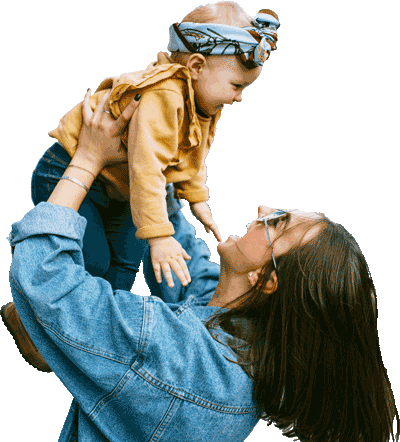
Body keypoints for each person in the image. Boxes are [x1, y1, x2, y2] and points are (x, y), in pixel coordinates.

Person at [2, 66, 398, 442]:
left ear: (267, 280)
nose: (265, 209)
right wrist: (152, 153)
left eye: (279, 224)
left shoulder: (176, 350)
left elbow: (46, 279)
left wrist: (88, 159)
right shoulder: (244, 340)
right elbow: (179, 253)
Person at [30, 2, 280, 293]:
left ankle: (104, 329)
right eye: (237, 86)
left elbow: (194, 153)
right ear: (196, 66)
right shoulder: (165, 95)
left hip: (121, 189)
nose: (239, 97)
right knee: (95, 260)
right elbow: (146, 168)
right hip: (69, 171)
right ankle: (40, 318)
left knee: (124, 262)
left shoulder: (202, 103)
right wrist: (160, 237)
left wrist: (197, 198)